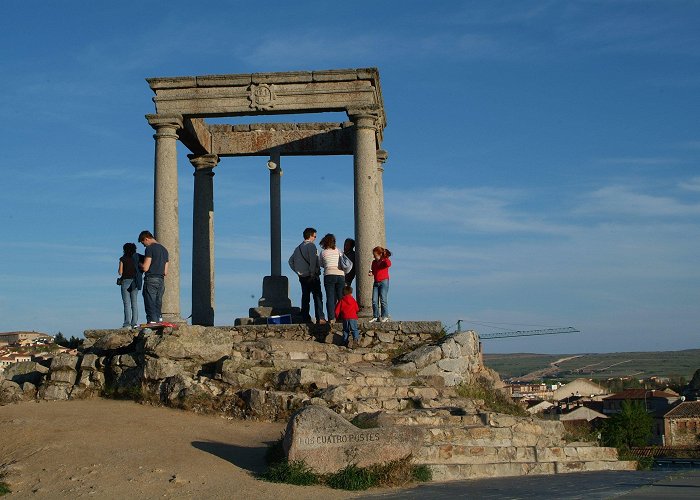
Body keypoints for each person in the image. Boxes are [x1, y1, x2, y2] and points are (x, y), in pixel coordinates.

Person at [288, 227, 325, 324]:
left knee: (305, 297)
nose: (315, 238)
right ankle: (320, 317)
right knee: (317, 297)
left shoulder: (298, 248)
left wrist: (298, 271)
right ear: (310, 236)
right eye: (315, 236)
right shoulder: (311, 246)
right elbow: (313, 261)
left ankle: (305, 317)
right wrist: (312, 272)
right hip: (311, 276)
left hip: (302, 276)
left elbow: (290, 261)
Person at [138, 230, 169, 324]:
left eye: (143, 243)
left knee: (150, 302)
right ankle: (159, 321)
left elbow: (146, 267)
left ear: (146, 239)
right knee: (157, 303)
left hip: (151, 279)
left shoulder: (150, 248)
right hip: (161, 280)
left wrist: (139, 264)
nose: (144, 245)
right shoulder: (164, 250)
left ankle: (152, 323)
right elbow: (165, 271)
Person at [319, 233, 345, 323]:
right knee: (341, 297)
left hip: (329, 274)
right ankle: (341, 316)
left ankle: (331, 317)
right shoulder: (339, 251)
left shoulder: (323, 252)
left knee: (330, 297)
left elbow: (321, 264)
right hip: (340, 274)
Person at [118, 243, 143, 328]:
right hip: (135, 281)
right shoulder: (137, 258)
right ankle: (134, 323)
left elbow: (120, 272)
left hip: (125, 281)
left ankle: (127, 323)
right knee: (134, 303)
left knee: (126, 303)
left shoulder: (122, 259)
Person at [368, 246, 392, 323]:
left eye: (375, 255)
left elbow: (389, 264)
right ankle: (376, 316)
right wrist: (371, 273)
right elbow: (374, 271)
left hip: (384, 281)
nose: (374, 256)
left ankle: (385, 316)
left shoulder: (384, 261)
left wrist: (385, 256)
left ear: (379, 254)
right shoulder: (374, 262)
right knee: (374, 300)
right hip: (376, 282)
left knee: (383, 299)